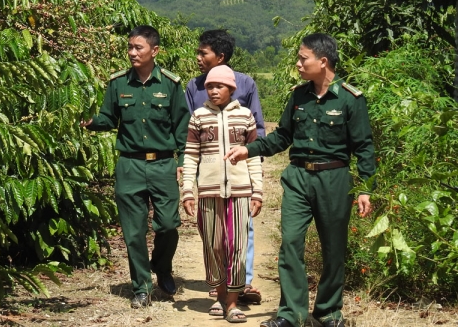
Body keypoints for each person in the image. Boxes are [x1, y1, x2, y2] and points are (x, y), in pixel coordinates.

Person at [224, 33, 376, 327]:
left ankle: (328, 311)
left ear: (322, 61)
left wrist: (365, 188)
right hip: (297, 178)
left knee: (333, 247)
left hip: (334, 178)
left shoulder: (350, 98)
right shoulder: (298, 96)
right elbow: (283, 136)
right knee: (291, 243)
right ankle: (291, 314)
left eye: (302, 58)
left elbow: (364, 146)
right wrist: (248, 149)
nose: (297, 63)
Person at [81, 25, 190, 308]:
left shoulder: (170, 84)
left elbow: (182, 127)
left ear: (154, 51)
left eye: (138, 48)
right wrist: (90, 122)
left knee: (167, 224)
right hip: (129, 165)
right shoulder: (118, 83)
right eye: (130, 47)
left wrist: (183, 163)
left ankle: (162, 266)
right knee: (133, 231)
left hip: (163, 164)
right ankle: (141, 286)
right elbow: (109, 117)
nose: (132, 52)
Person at [184, 29, 265, 304]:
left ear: (220, 56)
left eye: (202, 53)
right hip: (209, 179)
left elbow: (257, 129)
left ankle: (242, 283)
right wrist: (189, 179)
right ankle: (220, 286)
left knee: (241, 233)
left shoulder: (246, 84)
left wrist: (256, 180)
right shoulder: (193, 87)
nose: (197, 57)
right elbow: (189, 138)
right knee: (213, 236)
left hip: (239, 178)